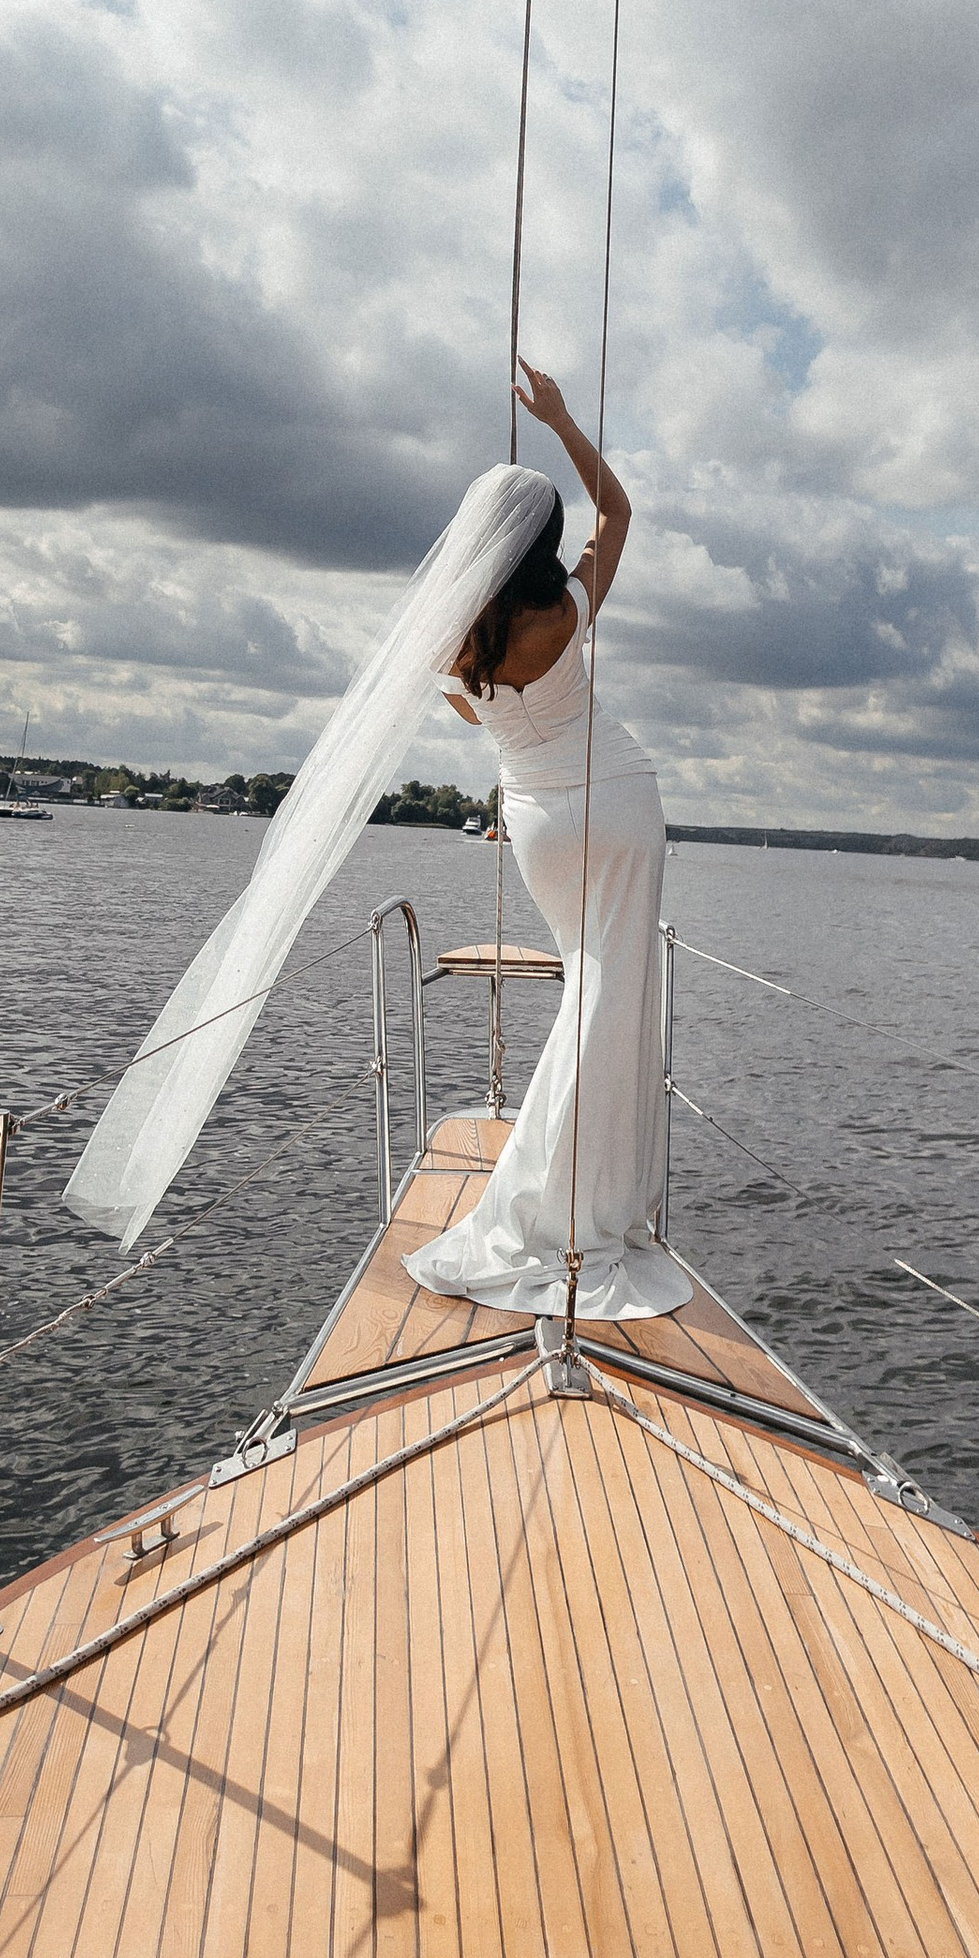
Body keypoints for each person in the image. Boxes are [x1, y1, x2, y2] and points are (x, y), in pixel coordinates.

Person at [403, 360, 690, 1325]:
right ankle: (587, 1204)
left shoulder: (452, 642)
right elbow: (620, 511)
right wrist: (562, 421)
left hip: (536, 824)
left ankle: (563, 1193)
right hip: (617, 802)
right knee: (614, 994)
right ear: (541, 543)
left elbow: (464, 715)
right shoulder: (565, 609)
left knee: (589, 990)